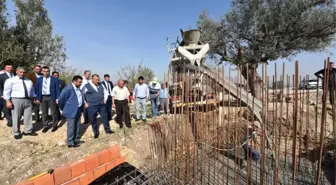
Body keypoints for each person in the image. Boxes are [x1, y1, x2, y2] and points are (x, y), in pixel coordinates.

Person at [3, 67, 38, 140]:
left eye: (24, 72)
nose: (22, 74)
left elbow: (32, 91)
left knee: (28, 116)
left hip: (28, 100)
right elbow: (6, 91)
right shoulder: (10, 80)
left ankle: (28, 131)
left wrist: (34, 98)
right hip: (16, 100)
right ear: (16, 72)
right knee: (16, 117)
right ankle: (16, 132)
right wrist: (8, 101)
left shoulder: (28, 81)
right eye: (20, 72)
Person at [82, 74, 113, 138]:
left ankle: (107, 130)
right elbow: (81, 95)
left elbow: (106, 92)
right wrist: (85, 102)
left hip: (101, 104)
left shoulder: (101, 85)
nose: (97, 81)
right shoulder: (86, 86)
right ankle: (96, 132)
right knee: (93, 119)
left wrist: (105, 99)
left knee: (105, 117)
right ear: (92, 79)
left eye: (98, 80)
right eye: (96, 80)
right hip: (92, 105)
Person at [58, 75, 84, 148]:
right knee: (71, 127)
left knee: (77, 125)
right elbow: (61, 100)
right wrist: (65, 108)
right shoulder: (68, 89)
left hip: (78, 109)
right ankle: (70, 142)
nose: (80, 84)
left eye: (81, 82)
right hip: (71, 111)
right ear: (74, 81)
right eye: (79, 82)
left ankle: (76, 140)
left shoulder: (78, 88)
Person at [35, 66, 61, 133]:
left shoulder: (54, 79)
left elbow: (57, 90)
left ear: (49, 71)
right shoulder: (39, 79)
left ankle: (55, 125)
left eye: (47, 71)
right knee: (44, 113)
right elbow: (37, 90)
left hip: (51, 97)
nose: (46, 73)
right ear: (42, 72)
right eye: (44, 71)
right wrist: (37, 98)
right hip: (43, 97)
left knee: (53, 112)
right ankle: (45, 125)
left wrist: (58, 98)